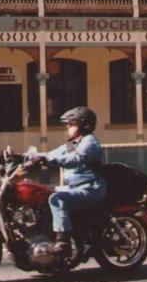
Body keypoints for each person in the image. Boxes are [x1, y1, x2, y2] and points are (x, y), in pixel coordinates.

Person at [39, 106, 106, 254]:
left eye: (72, 123)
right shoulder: (72, 143)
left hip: (91, 188)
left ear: (84, 125)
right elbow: (51, 154)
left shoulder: (89, 142)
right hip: (76, 187)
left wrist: (49, 160)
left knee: (57, 199)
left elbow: (76, 159)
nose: (68, 127)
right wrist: (25, 157)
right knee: (43, 194)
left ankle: (64, 243)